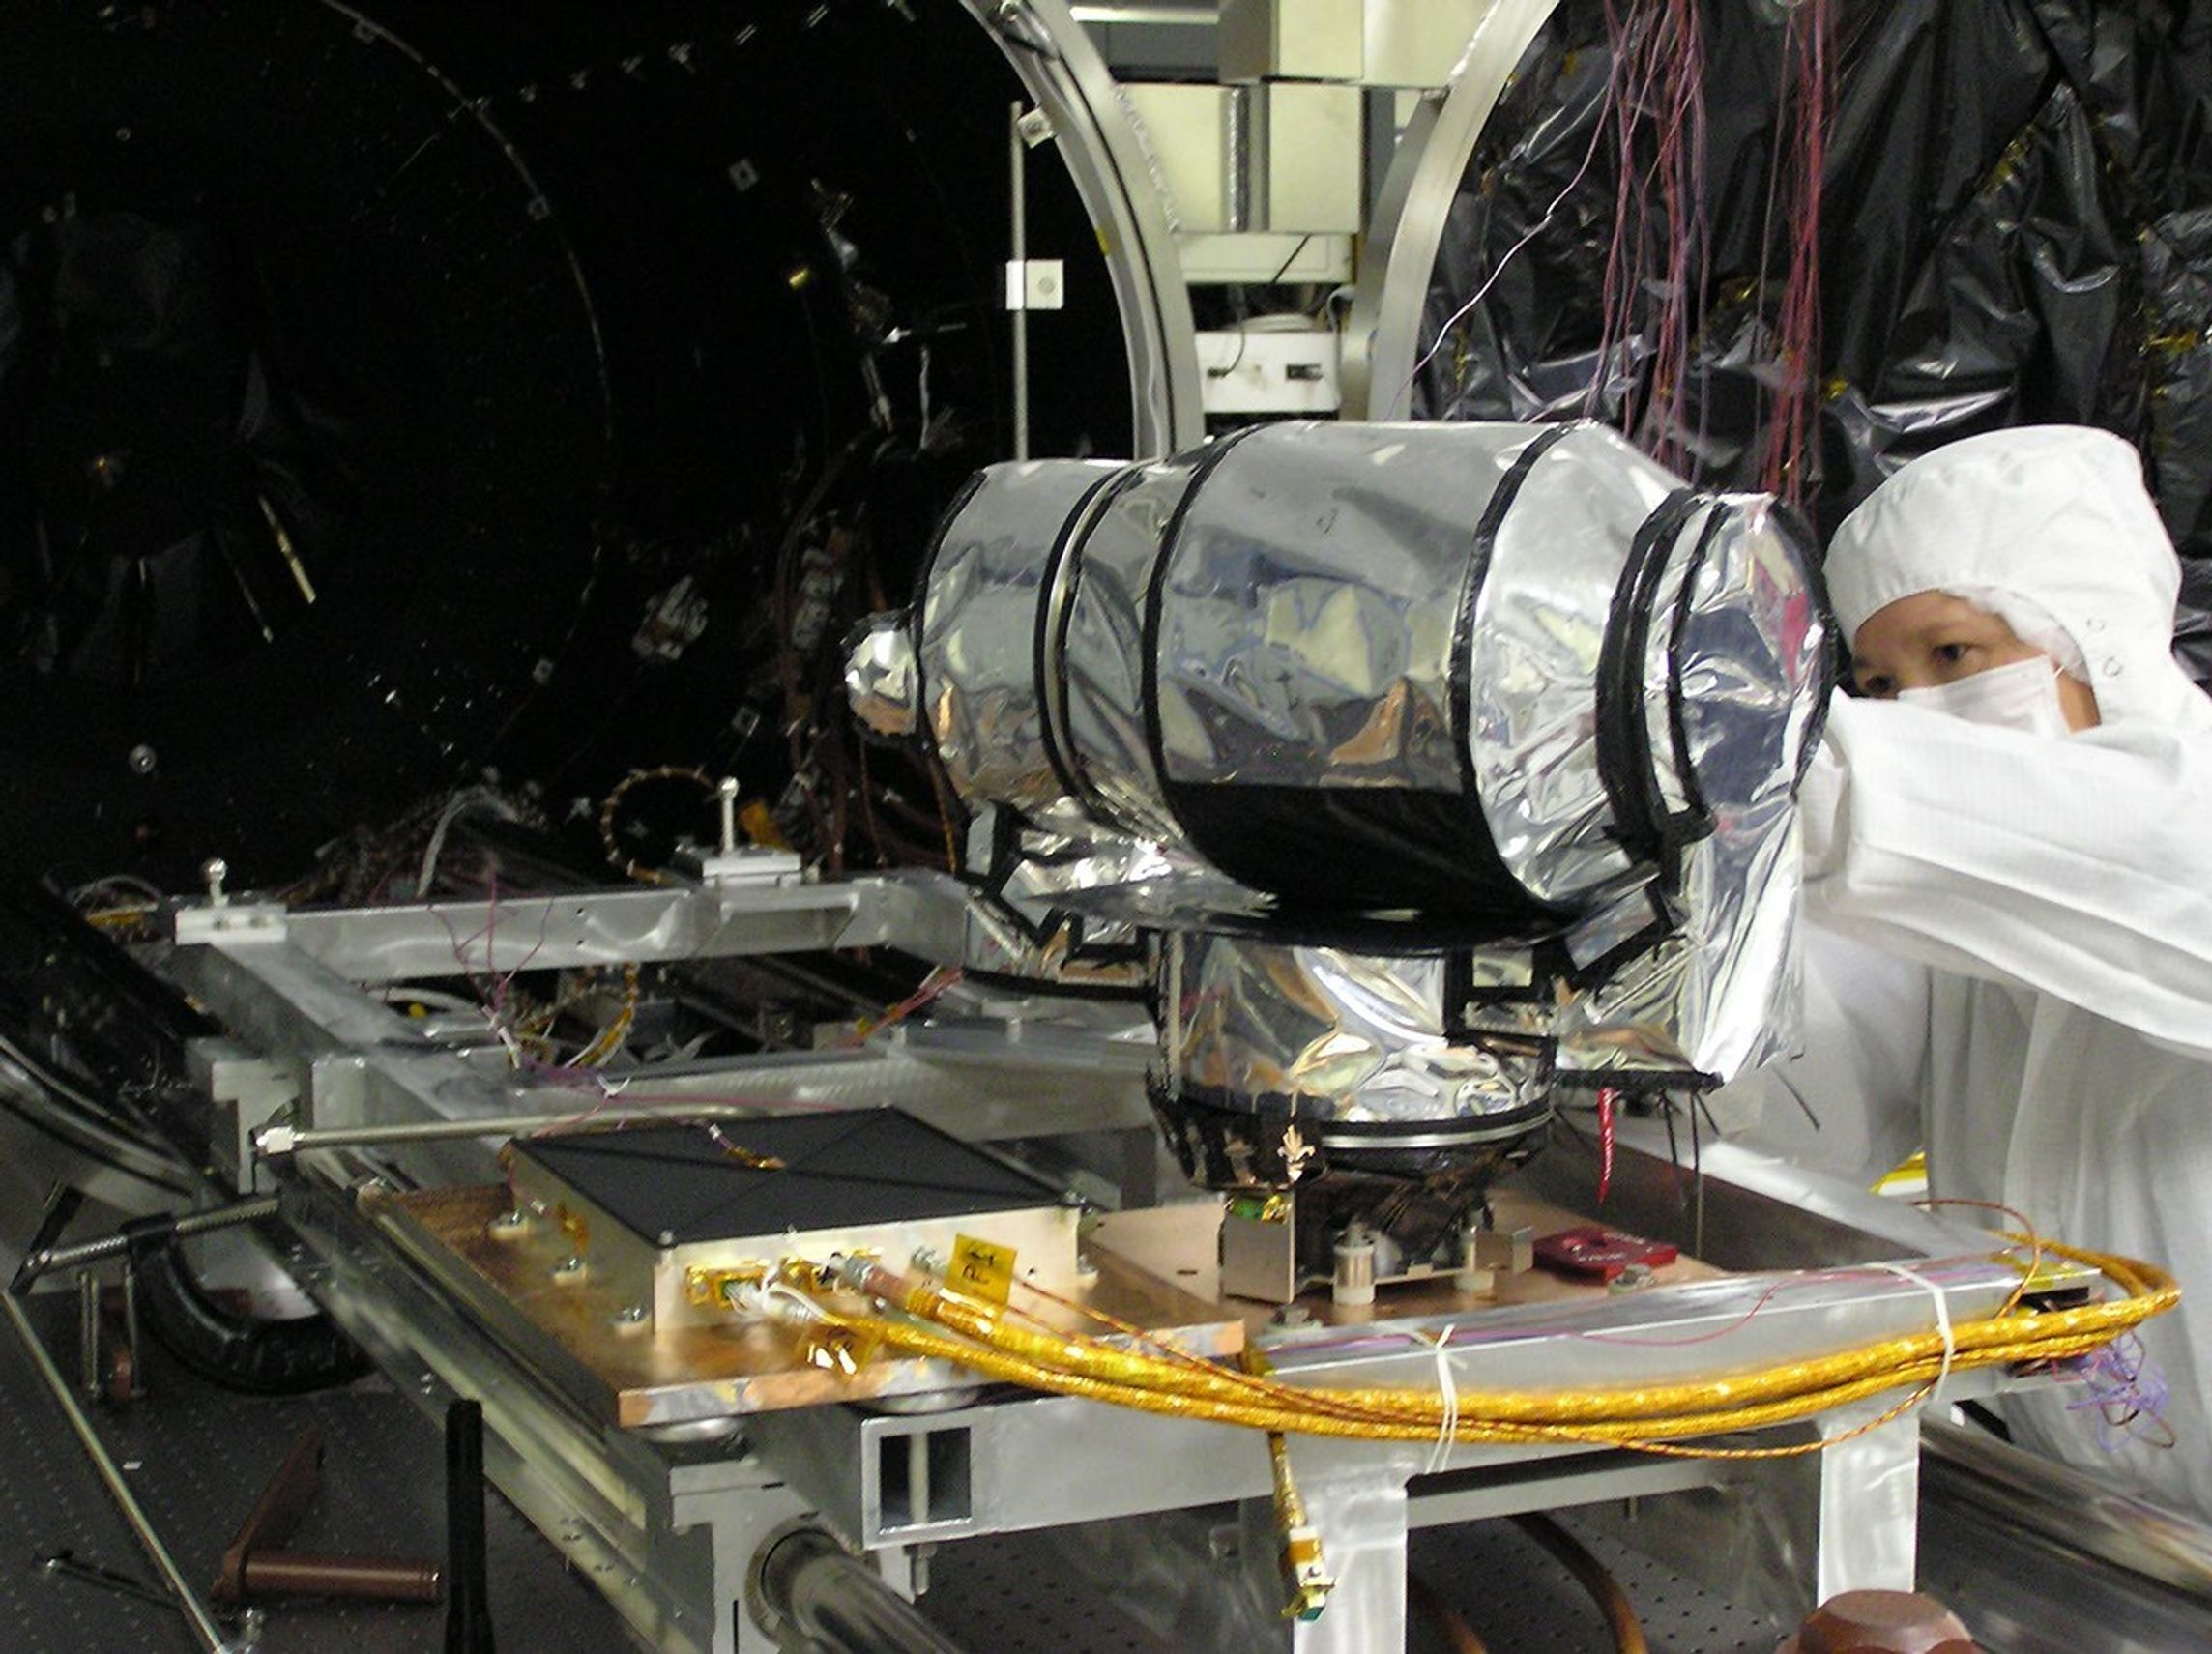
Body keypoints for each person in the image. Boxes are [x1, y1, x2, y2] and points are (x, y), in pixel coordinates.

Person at [1745, 424, 2212, 1521]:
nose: (1913, 710)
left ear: (2092, 638)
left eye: (1951, 655)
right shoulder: (1968, 916)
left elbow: (1874, 802)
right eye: (1874, 679)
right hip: (2096, 1524)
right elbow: (1795, 1103)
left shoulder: (2182, 827)